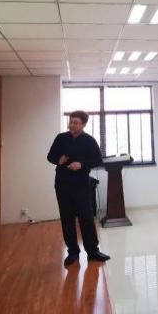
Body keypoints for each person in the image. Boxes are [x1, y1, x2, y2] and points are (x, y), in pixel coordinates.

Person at [46, 110, 109, 267]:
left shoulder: (89, 141)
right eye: (71, 121)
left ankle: (93, 251)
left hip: (81, 185)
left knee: (86, 218)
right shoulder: (61, 138)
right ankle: (73, 252)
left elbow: (98, 160)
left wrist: (81, 164)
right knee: (67, 218)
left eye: (76, 122)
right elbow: (50, 156)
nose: (72, 125)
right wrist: (59, 160)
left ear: (83, 124)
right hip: (62, 184)